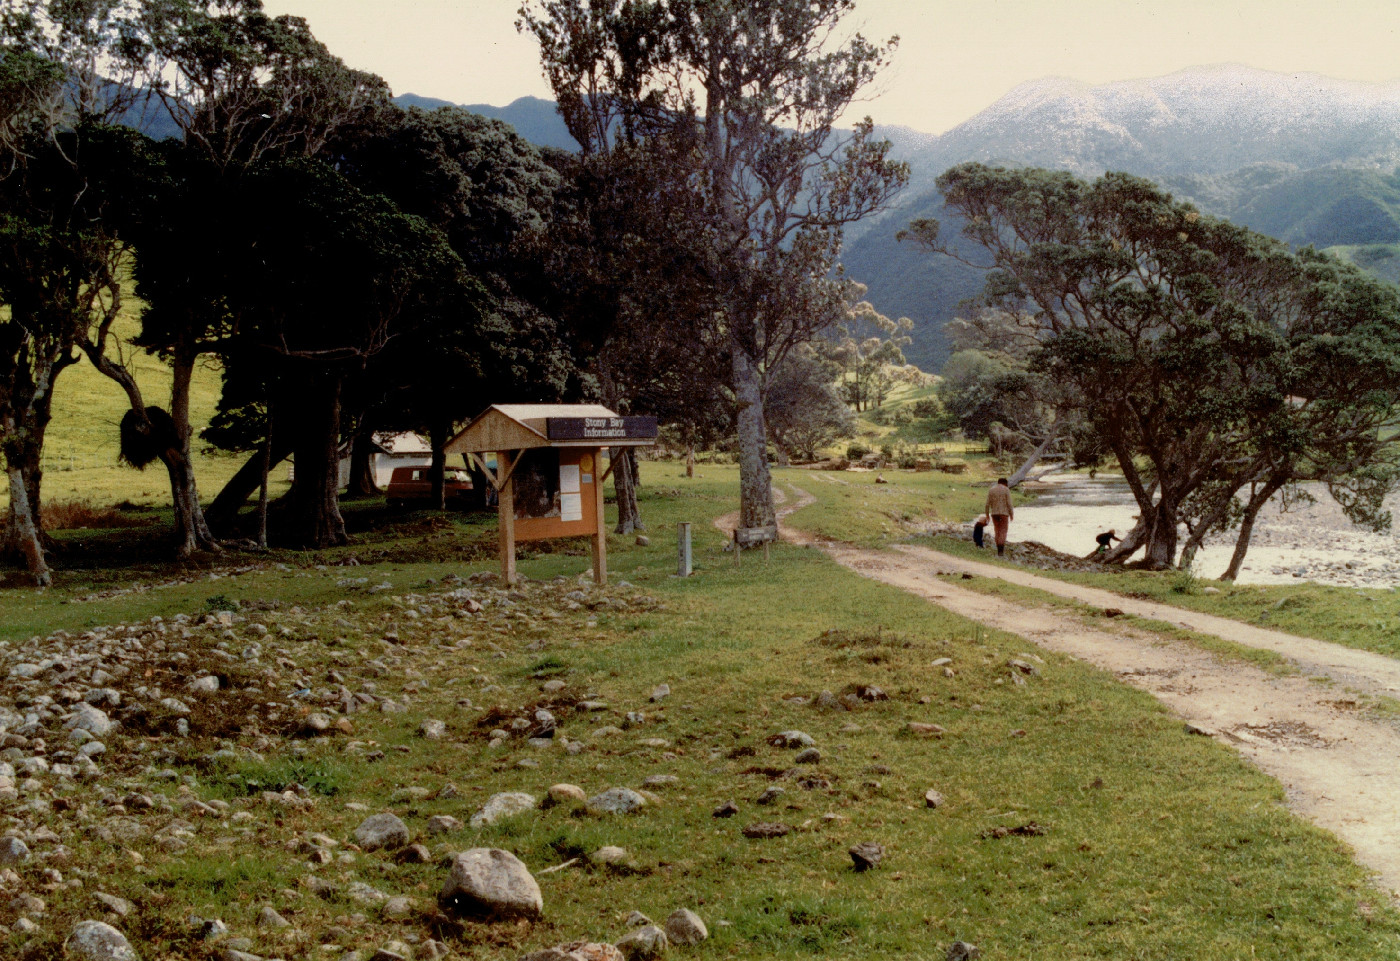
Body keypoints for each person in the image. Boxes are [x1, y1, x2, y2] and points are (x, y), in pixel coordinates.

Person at [985, 477, 1013, 556]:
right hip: (1004, 514)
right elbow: (1009, 504)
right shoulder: (1006, 490)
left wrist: (987, 515)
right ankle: (1001, 551)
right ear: (1005, 483)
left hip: (994, 514)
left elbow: (987, 504)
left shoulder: (991, 490)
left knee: (997, 531)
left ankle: (998, 549)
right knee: (1003, 531)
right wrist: (1011, 514)